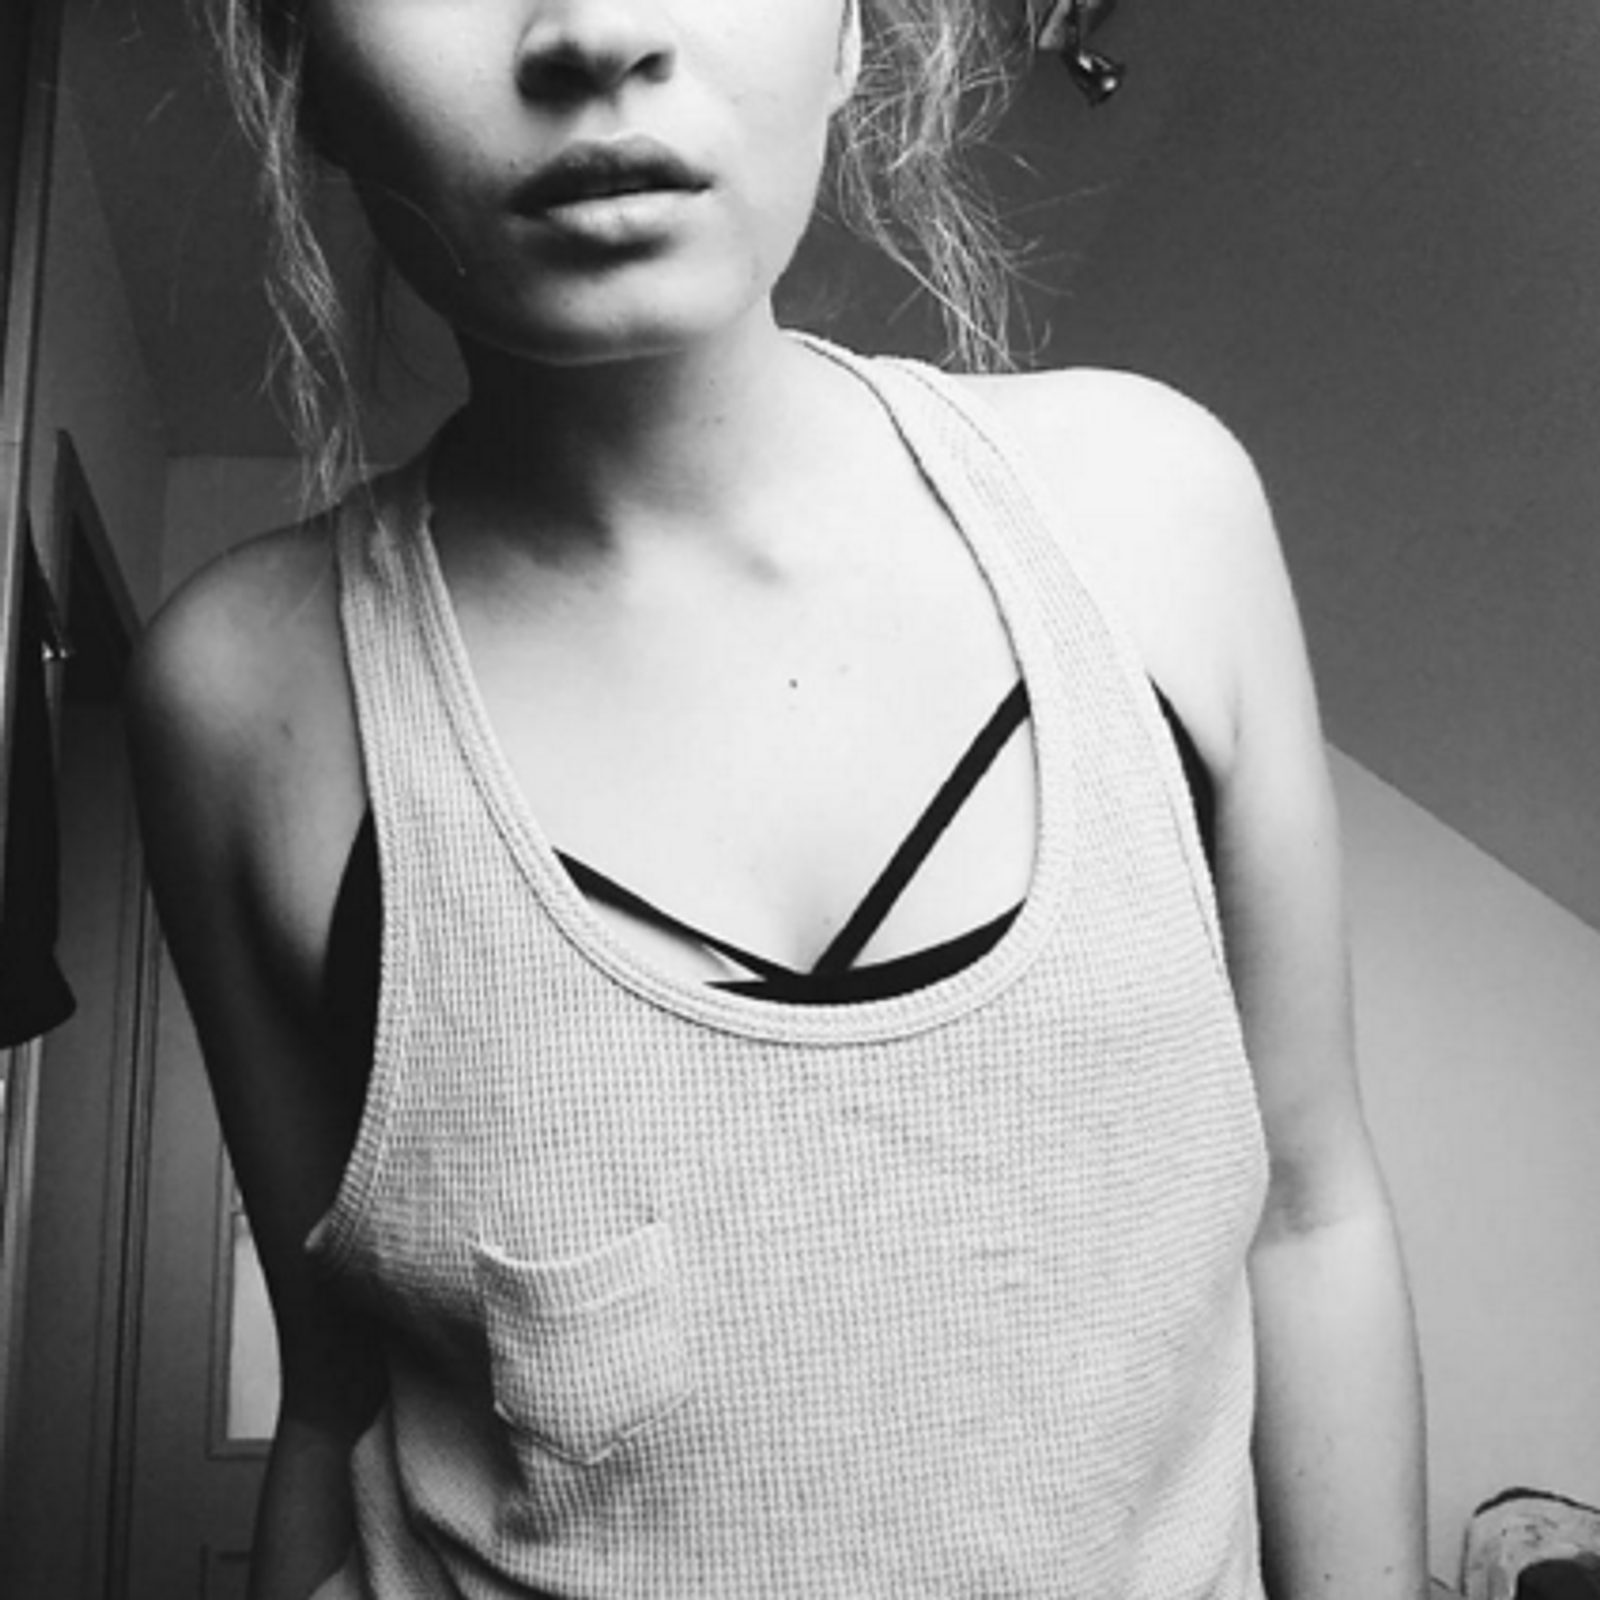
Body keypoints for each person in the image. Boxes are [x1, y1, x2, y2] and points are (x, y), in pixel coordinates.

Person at [126, 1, 1429, 1596]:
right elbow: (337, 1402)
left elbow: (1310, 1216)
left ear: (852, 33)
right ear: (311, 77)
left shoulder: (1157, 511)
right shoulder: (244, 693)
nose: (594, 28)